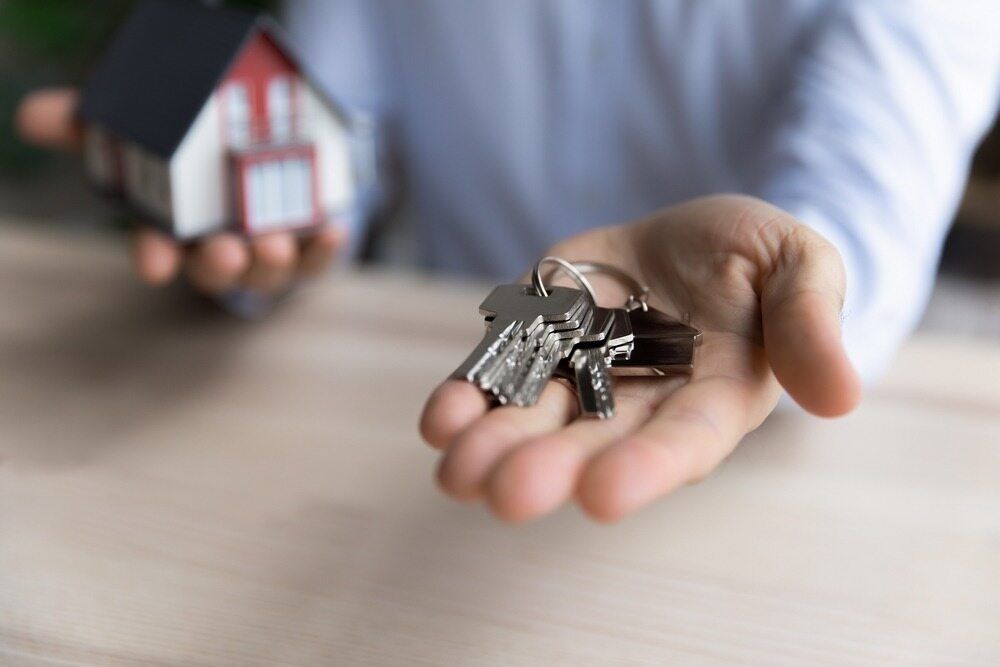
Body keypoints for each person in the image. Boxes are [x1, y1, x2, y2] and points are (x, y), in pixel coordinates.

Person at [16, 1, 1000, 523]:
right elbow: (337, 134)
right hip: (408, 396)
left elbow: (860, 220)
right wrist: (274, 232)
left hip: (756, 469)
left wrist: (783, 285)